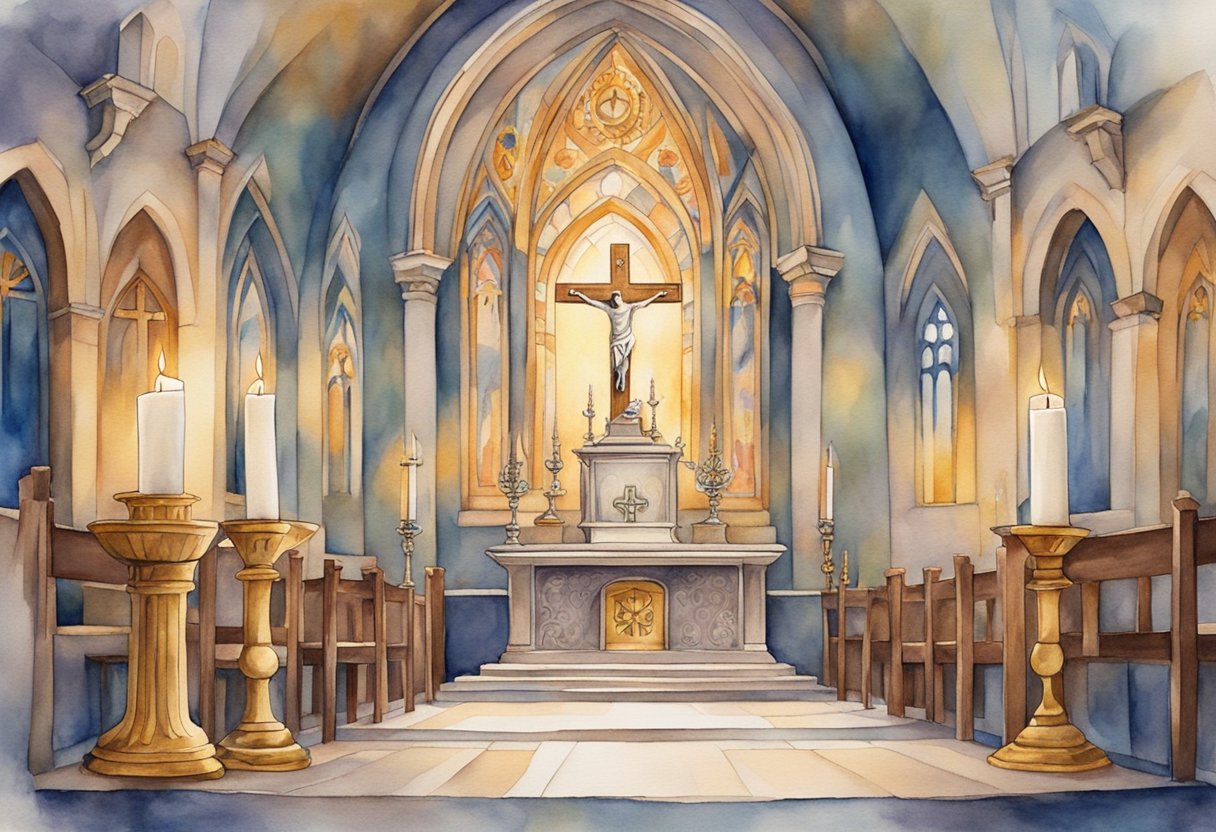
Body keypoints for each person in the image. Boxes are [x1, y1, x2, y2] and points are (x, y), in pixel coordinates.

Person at [568, 288, 668, 391]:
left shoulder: (629, 307)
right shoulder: (610, 309)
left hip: (627, 337)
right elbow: (592, 302)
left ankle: (622, 376)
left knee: (624, 358)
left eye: (618, 298)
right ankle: (619, 374)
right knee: (617, 362)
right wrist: (578, 294)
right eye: (615, 299)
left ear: (621, 297)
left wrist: (658, 295)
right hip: (616, 339)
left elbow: (644, 303)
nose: (617, 301)